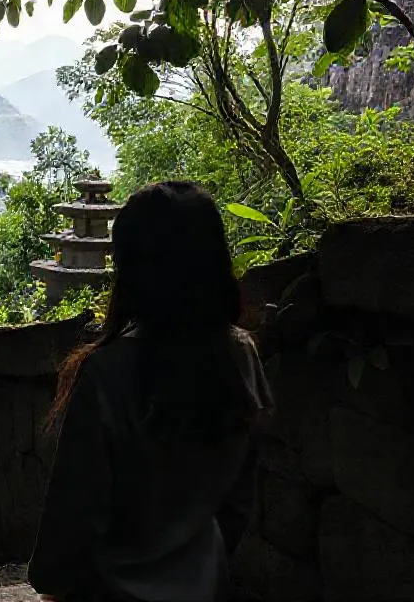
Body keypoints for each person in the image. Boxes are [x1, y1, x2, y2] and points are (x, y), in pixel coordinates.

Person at [29, 181, 274, 602]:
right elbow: (239, 501)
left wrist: (51, 581)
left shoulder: (107, 373)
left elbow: (73, 516)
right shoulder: (241, 356)